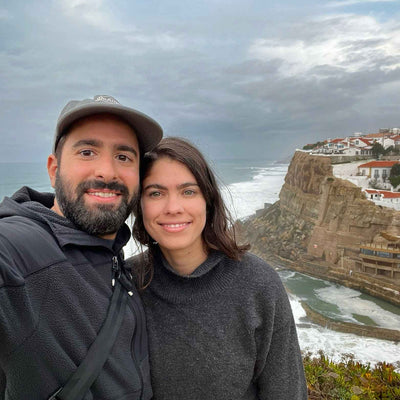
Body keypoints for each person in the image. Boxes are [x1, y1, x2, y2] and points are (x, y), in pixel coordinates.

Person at [0, 95, 162, 399]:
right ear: (53, 169)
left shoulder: (120, 264)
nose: (107, 172)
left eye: (124, 157)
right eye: (87, 152)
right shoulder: (22, 250)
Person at [130, 137, 307, 400]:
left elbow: (287, 392)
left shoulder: (258, 284)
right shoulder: (128, 283)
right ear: (139, 205)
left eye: (188, 191)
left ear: (208, 201)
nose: (173, 208)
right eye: (155, 193)